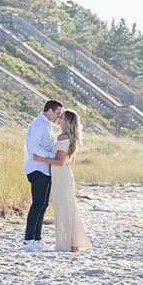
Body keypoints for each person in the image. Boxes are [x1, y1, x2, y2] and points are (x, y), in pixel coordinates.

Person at [32, 109, 91, 252]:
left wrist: (40, 159)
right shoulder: (69, 137)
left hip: (61, 176)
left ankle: (66, 244)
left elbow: (59, 161)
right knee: (68, 208)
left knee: (63, 209)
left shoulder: (63, 137)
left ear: (66, 121)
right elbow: (69, 161)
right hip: (63, 175)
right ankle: (72, 244)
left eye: (62, 117)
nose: (59, 118)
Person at [22, 100, 63, 251]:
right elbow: (33, 146)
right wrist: (50, 156)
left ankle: (37, 239)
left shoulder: (47, 125)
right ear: (50, 110)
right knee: (37, 203)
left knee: (43, 204)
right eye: (58, 113)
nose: (59, 116)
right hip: (37, 168)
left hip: (44, 168)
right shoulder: (40, 125)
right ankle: (28, 240)